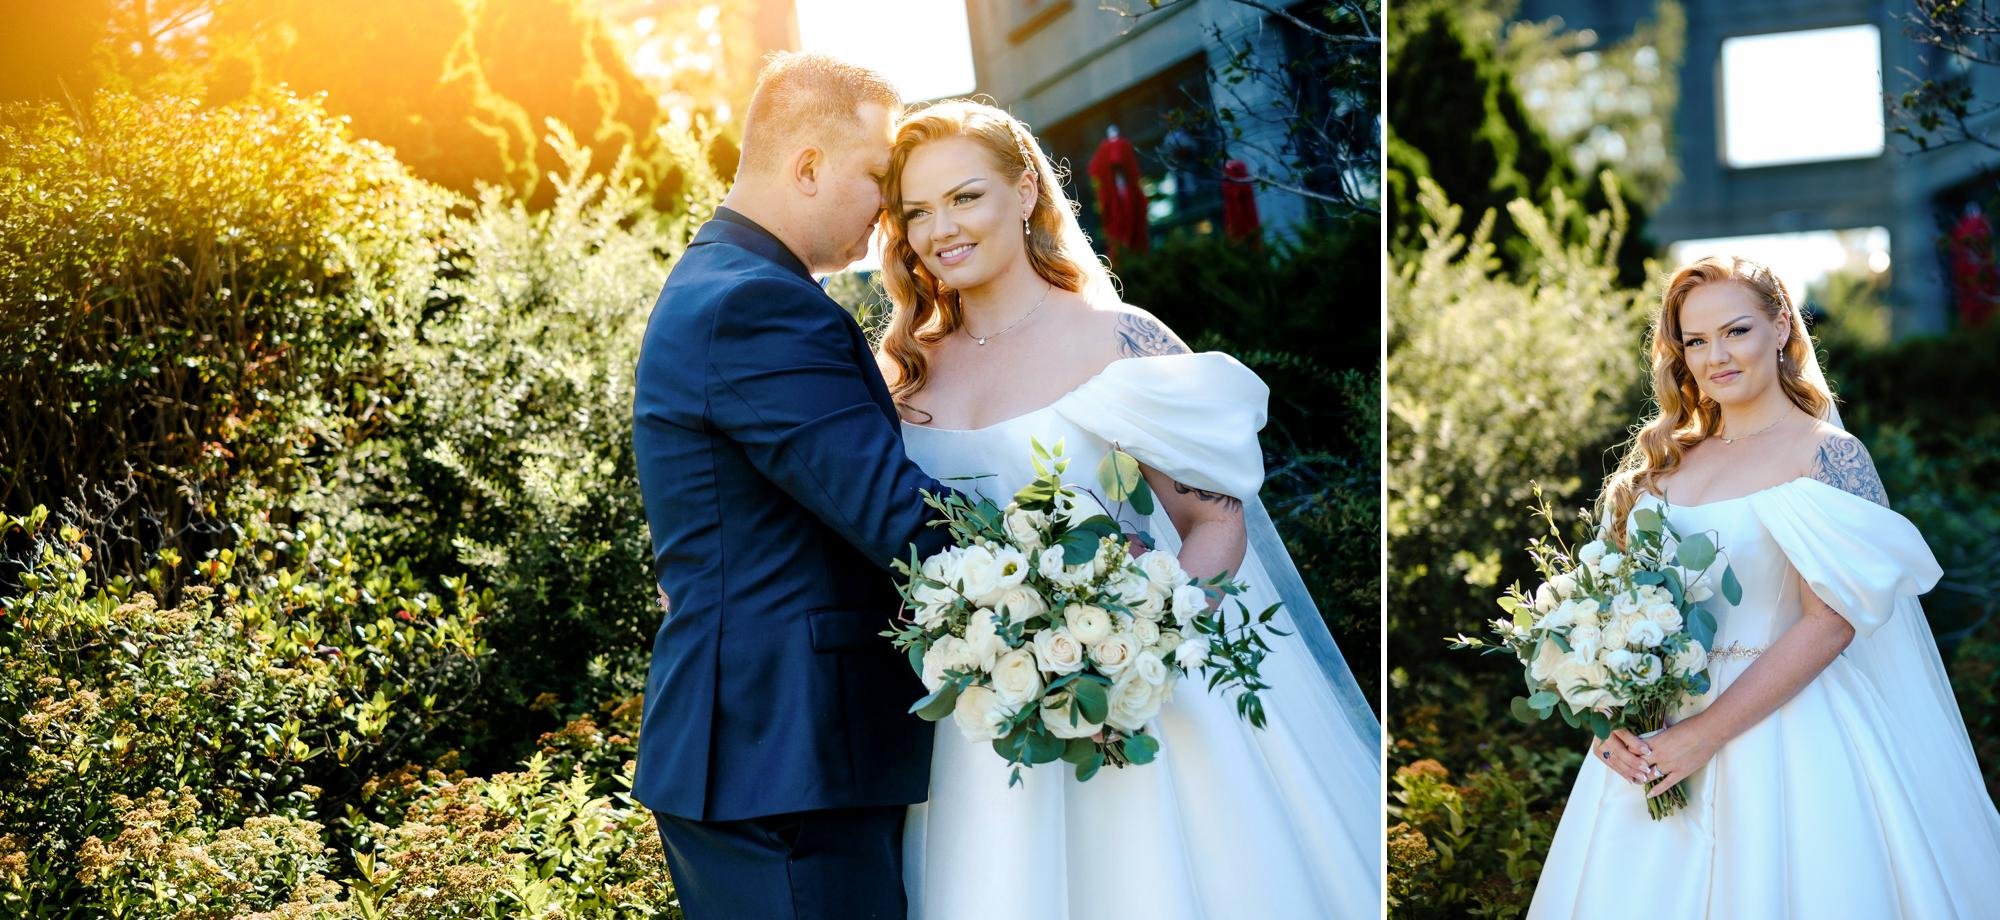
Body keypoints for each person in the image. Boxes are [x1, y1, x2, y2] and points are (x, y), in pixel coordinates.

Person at [876, 99, 1383, 919]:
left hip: (1139, 702)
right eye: (917, 212)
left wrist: (1129, 650)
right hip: (974, 731)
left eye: (965, 197)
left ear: (1026, 190)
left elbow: (1216, 523)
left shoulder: (1120, 341)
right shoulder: (900, 373)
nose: (942, 229)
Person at [1528, 256, 2000, 917]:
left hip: (1790, 734)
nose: (1715, 355)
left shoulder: (1828, 456)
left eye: (1737, 331)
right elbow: (1601, 614)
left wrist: (1705, 735)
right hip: (1653, 741)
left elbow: (1832, 622)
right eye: (1695, 340)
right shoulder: (1660, 467)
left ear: (1781, 329)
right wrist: (1605, 722)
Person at [629, 52, 951, 919]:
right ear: (807, 167)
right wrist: (1078, 568)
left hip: (770, 752)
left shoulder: (725, 283)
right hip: (783, 761)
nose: (892, 214)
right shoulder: (754, 305)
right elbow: (896, 515)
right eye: (878, 179)